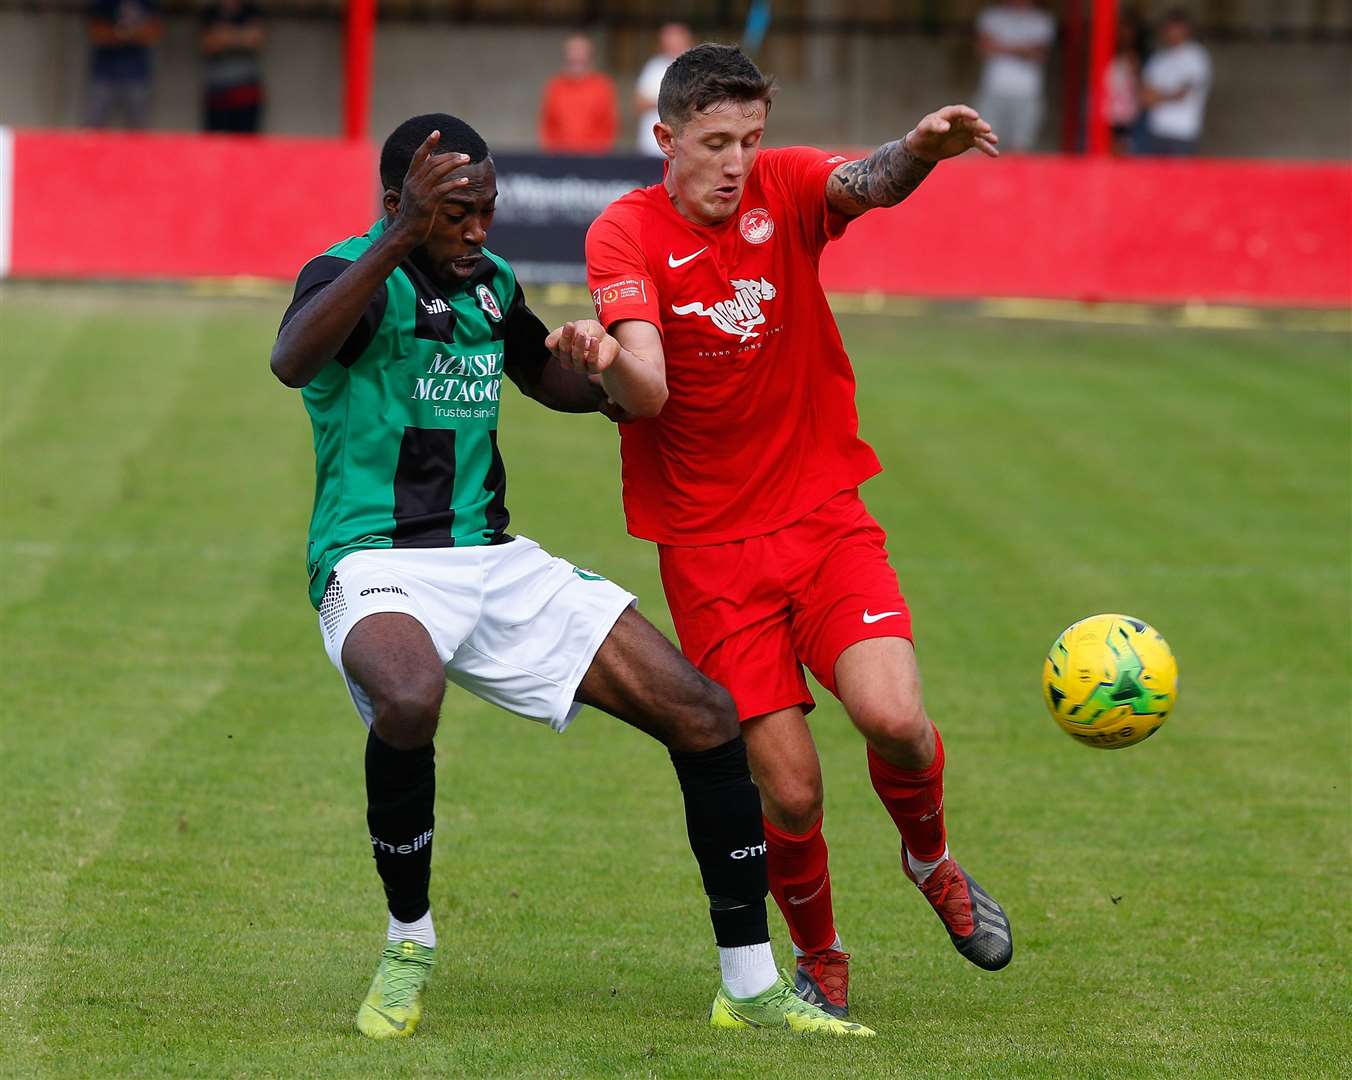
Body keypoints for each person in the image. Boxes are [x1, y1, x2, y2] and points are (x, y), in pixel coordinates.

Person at [269, 113, 870, 1041]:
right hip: (373, 560)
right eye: (455, 213)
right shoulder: (347, 276)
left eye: (488, 211)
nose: (478, 230)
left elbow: (541, 379)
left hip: (495, 562)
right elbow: (291, 358)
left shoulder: (491, 284)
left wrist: (596, 369)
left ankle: (749, 987)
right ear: (399, 205)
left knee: (706, 715)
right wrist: (397, 241)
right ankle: (408, 940)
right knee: (410, 693)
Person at [574, 44, 1013, 1021]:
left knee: (895, 718)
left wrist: (920, 149)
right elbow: (644, 387)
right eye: (715, 142)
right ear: (665, 138)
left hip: (820, 516)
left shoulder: (784, 186)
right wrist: (606, 362)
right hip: (708, 552)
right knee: (792, 790)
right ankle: (818, 956)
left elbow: (864, 182)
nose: (736, 162)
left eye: (750, 139)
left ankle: (930, 860)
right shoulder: (623, 235)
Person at [974, 0, 1055, 152]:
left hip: (1027, 91)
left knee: (1021, 146)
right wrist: (1023, 49)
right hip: (994, 88)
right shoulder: (992, 15)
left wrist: (1002, 46)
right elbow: (984, 47)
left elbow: (1039, 53)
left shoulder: (1041, 19)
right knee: (984, 143)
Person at [1139, 8, 1211, 155]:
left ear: (1186, 30)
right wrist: (1167, 95)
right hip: (1156, 130)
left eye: (1176, 28)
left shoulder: (1196, 57)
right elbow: (1145, 98)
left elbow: (1181, 94)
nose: (1171, 32)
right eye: (1168, 28)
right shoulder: (1158, 59)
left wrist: (1157, 96)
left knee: (1181, 177)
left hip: (1183, 132)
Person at [85, 0, 162, 130]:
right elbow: (98, 34)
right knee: (94, 124)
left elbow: (152, 33)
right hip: (104, 72)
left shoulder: (147, 3)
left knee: (139, 126)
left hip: (137, 72)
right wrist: (129, 34)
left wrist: (120, 34)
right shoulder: (104, 3)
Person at [538, 33, 619, 153]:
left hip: (594, 157)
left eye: (581, 56)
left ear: (590, 57)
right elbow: (547, 124)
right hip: (559, 157)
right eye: (573, 54)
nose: (576, 58)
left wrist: (599, 154)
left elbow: (609, 125)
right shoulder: (555, 87)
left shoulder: (603, 87)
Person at [200, 0, 265, 134]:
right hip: (217, 89)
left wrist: (224, 35)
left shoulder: (251, 9)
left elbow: (255, 40)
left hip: (246, 89)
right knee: (215, 142)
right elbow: (208, 44)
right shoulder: (210, 11)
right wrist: (242, 36)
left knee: (246, 143)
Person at [633, 22, 694, 157]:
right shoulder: (653, 66)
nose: (671, 44)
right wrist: (674, 101)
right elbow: (639, 104)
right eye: (667, 39)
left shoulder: (696, 67)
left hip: (684, 148)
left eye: (675, 39)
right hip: (651, 147)